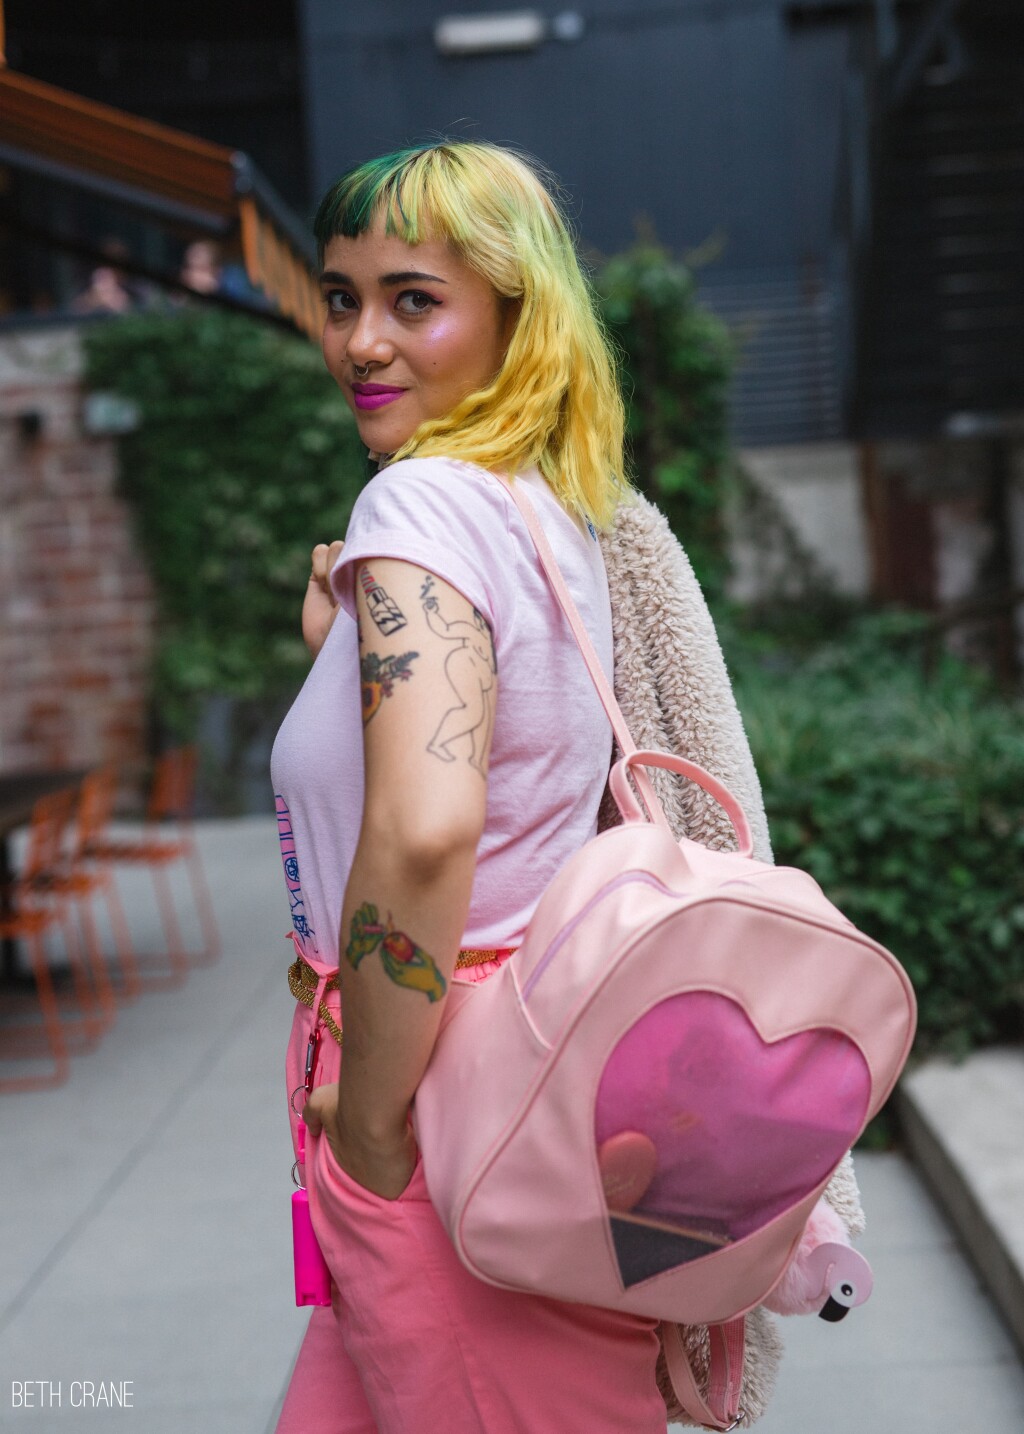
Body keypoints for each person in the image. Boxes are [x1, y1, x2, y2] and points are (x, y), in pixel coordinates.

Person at [269, 140, 772, 1433]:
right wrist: (342, 656)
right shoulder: (542, 511)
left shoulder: (420, 509)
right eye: (341, 297)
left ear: (515, 313)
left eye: (414, 300)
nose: (361, 342)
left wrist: (370, 1129)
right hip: (524, 1087)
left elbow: (428, 829)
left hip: (433, 1100)